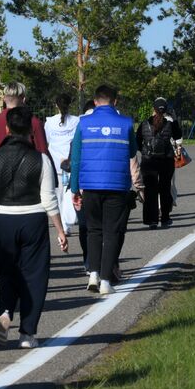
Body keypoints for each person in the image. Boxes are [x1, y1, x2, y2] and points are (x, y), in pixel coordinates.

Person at [0, 107, 68, 347]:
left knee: (7, 274)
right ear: (31, 130)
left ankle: (6, 311)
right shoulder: (41, 159)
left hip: (4, 220)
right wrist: (60, 230)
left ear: (7, 129)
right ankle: (27, 333)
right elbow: (49, 199)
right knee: (35, 276)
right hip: (33, 220)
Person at [69, 83, 142, 295]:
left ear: (94, 101)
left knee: (93, 230)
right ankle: (106, 281)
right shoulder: (126, 123)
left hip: (90, 185)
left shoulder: (83, 124)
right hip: (117, 185)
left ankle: (93, 273)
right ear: (115, 101)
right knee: (112, 232)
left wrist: (75, 189)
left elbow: (75, 159)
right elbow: (132, 151)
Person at [137, 97, 182, 228]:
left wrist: (145, 151)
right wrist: (174, 120)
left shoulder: (144, 124)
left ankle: (151, 219)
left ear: (154, 109)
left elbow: (137, 141)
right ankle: (165, 218)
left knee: (150, 191)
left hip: (148, 161)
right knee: (165, 189)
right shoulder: (170, 124)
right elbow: (178, 136)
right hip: (166, 160)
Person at [0, 82, 49, 158]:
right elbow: (43, 153)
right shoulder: (34, 122)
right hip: (27, 167)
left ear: (4, 98)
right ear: (24, 99)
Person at [43, 93, 81, 236]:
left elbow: (46, 141)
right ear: (69, 104)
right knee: (69, 193)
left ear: (56, 105)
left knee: (58, 196)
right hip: (71, 163)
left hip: (55, 163)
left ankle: (63, 226)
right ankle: (68, 222)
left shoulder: (50, 122)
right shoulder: (77, 121)